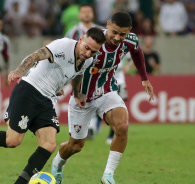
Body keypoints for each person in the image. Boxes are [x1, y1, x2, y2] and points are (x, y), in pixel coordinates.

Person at [0, 27, 106, 184]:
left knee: (49, 145)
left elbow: (77, 75)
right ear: (81, 40)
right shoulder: (63, 45)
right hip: (29, 90)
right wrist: (20, 70)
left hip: (47, 100)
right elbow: (36, 56)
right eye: (87, 48)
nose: (88, 53)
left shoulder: (88, 60)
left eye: (93, 52)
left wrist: (76, 93)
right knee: (13, 141)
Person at [51, 12, 154, 184]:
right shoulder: (93, 42)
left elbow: (137, 52)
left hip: (107, 91)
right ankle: (57, 166)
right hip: (81, 97)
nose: (117, 37)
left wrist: (144, 78)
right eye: (114, 32)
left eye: (122, 34)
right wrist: (65, 87)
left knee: (122, 126)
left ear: (129, 31)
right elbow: (71, 62)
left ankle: (108, 176)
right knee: (75, 146)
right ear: (107, 24)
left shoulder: (131, 40)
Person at [64, 3, 105, 140]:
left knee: (94, 96)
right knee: (80, 96)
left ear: (92, 14)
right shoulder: (73, 32)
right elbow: (66, 48)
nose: (87, 14)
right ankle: (82, 127)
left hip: (97, 70)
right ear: (79, 15)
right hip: (78, 69)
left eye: (89, 11)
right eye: (84, 12)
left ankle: (91, 126)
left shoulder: (101, 31)